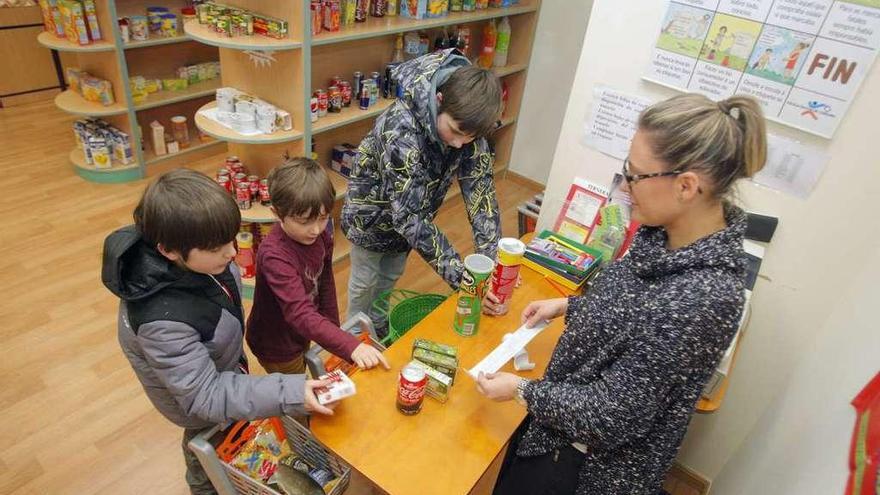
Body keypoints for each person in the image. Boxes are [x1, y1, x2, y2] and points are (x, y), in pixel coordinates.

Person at [476, 93, 767, 495]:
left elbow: (613, 414)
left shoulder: (707, 298)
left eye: (636, 176)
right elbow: (632, 313)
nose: (626, 188)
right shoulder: (661, 234)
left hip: (583, 466)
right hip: (555, 424)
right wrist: (570, 305)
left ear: (686, 186)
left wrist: (521, 390)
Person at [102, 169, 336, 494]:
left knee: (232, 433)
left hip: (220, 372)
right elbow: (204, 397)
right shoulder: (161, 322)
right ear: (169, 250)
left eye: (232, 237)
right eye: (216, 248)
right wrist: (290, 391)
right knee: (204, 449)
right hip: (197, 403)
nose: (231, 253)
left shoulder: (204, 257)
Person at [341, 48, 503, 334]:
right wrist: (465, 279)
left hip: (408, 226)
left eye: (470, 138)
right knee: (364, 282)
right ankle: (353, 338)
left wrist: (491, 267)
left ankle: (378, 331)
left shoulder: (467, 125)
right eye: (454, 131)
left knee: (389, 276)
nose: (458, 144)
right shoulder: (401, 130)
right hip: (370, 219)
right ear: (439, 100)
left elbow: (481, 195)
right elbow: (410, 218)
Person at [246, 158, 389, 374]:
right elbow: (300, 313)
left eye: (323, 218)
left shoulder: (321, 235)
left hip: (301, 331)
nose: (315, 230)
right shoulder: (274, 255)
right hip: (277, 344)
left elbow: (325, 282)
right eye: (304, 221)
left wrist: (332, 332)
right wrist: (348, 344)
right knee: (292, 389)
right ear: (277, 214)